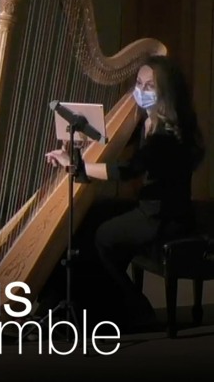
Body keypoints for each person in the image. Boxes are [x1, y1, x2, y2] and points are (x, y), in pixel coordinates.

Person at [46, 54, 205, 330]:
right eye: (138, 84)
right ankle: (82, 301)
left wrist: (76, 165)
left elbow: (127, 170)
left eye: (149, 86)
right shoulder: (148, 120)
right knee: (90, 216)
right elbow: (107, 141)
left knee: (102, 236)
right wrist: (77, 142)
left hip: (165, 217)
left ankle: (134, 307)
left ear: (166, 91)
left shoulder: (168, 134)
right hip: (148, 208)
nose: (140, 91)